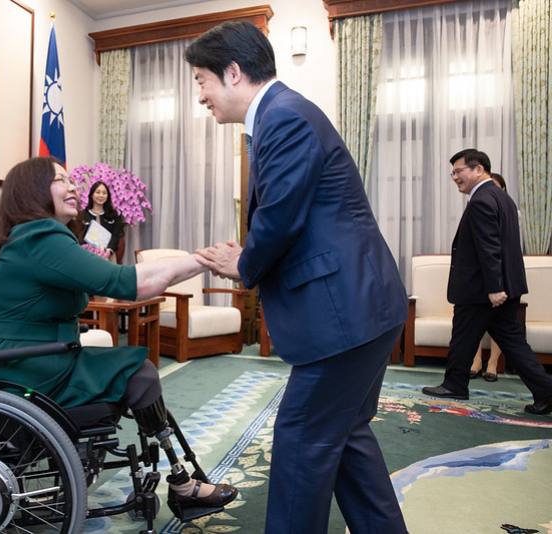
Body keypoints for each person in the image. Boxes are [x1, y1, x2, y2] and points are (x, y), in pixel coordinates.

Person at [185, 21, 409, 534]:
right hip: (361, 307)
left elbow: (281, 216)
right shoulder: (283, 115)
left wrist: (243, 264)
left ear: (234, 73)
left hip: (344, 315)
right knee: (344, 435)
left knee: (302, 442)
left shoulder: (283, 117)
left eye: (202, 81)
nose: (201, 96)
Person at [0, 156, 238, 520]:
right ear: (34, 191)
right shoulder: (40, 238)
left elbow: (132, 279)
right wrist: (207, 261)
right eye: (61, 180)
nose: (73, 186)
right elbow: (133, 283)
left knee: (134, 368)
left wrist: (199, 260)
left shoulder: (31, 238)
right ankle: (182, 483)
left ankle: (182, 481)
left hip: (27, 361)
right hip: (27, 371)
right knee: (137, 371)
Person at [422, 149, 552, 415]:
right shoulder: (501, 197)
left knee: (463, 336)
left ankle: (455, 384)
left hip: (483, 289)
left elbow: (489, 247)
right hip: (499, 286)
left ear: (478, 169)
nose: (455, 177)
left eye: (459, 171)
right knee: (512, 341)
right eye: (453, 173)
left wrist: (495, 287)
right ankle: (545, 391)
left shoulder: (482, 199)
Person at [469, 173, 506, 382]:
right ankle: (475, 361)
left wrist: (496, 284)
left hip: (498, 276)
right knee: (474, 322)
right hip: (479, 277)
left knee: (500, 324)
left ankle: (492, 363)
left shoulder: (506, 210)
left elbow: (493, 247)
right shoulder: (477, 205)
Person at [80, 181, 125, 262]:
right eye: (98, 192)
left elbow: (116, 235)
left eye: (104, 193)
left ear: (108, 196)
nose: (101, 195)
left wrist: (109, 251)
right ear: (91, 195)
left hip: (108, 257)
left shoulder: (114, 215)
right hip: (87, 258)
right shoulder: (82, 215)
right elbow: (80, 237)